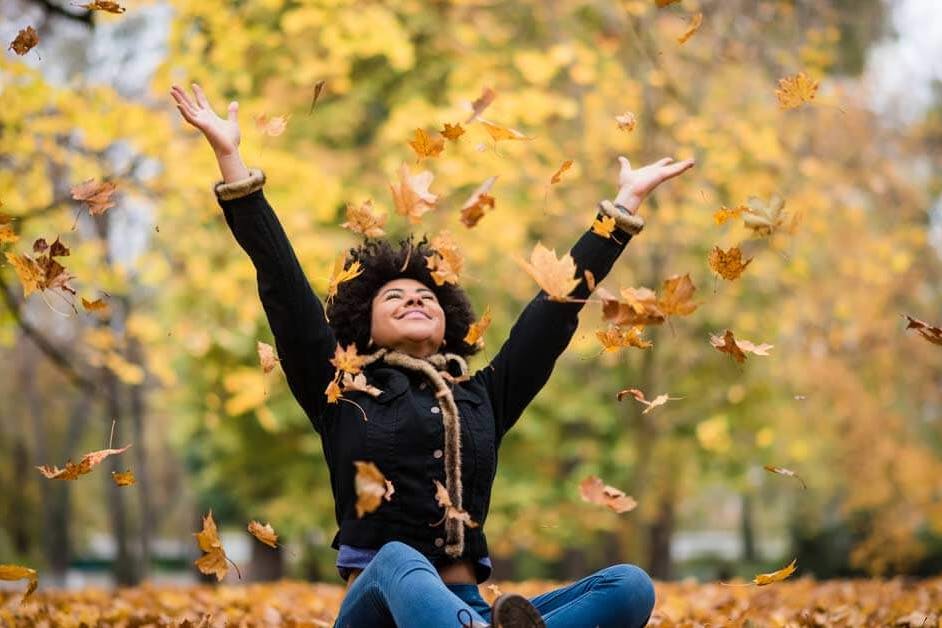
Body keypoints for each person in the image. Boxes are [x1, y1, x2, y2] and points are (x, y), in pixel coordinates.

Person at [171, 82, 694, 628]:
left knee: (629, 586)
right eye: (393, 296)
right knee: (401, 558)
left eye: (425, 295)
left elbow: (553, 313)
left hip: (470, 609)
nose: (415, 297)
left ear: (448, 319)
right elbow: (282, 282)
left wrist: (621, 211)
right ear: (362, 326)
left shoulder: (482, 396)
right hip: (381, 607)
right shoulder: (339, 387)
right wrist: (230, 158)